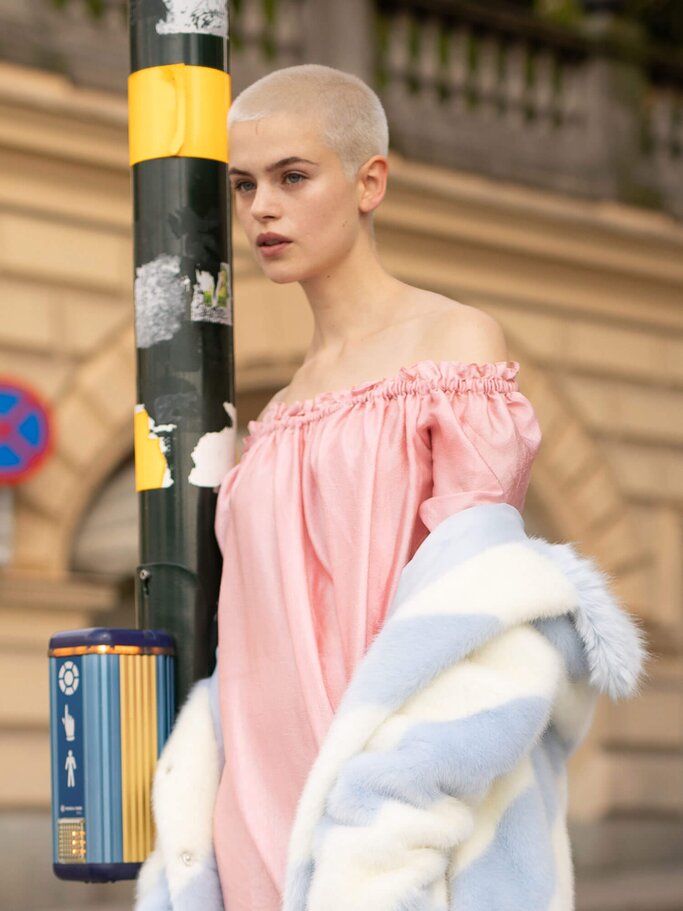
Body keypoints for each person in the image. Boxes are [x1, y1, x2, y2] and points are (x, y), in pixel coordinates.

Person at [135, 64, 646, 911]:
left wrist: (381, 832)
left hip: (380, 829)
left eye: (293, 177)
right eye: (244, 184)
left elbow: (480, 616)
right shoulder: (282, 406)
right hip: (253, 810)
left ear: (370, 181)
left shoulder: (452, 345)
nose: (261, 208)